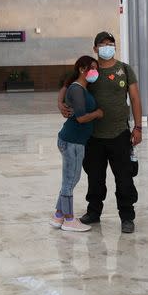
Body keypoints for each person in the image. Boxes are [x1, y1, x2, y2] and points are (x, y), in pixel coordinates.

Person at [58, 32, 143, 234]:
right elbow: (68, 84)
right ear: (95, 48)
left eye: (111, 44)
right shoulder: (91, 70)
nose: (108, 47)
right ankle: (93, 212)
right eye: (103, 44)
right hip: (93, 136)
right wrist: (60, 103)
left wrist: (138, 127)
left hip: (120, 133)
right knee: (94, 178)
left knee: (124, 178)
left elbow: (135, 97)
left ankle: (127, 216)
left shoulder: (124, 69)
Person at [52, 56, 104, 232]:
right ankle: (69, 219)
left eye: (96, 69)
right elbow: (81, 118)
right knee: (70, 179)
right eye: (92, 68)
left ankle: (59, 215)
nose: (95, 72)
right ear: (82, 69)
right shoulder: (77, 89)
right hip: (72, 141)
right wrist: (97, 113)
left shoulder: (82, 88)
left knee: (71, 179)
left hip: (76, 141)